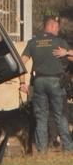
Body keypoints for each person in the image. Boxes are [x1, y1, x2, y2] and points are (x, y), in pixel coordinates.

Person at [19, 14, 73, 153]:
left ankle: (42, 150)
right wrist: (66, 52)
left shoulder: (33, 42)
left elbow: (20, 63)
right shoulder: (59, 42)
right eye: (56, 27)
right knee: (59, 115)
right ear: (51, 26)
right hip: (55, 82)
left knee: (41, 117)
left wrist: (22, 83)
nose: (58, 30)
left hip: (39, 83)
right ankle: (68, 148)